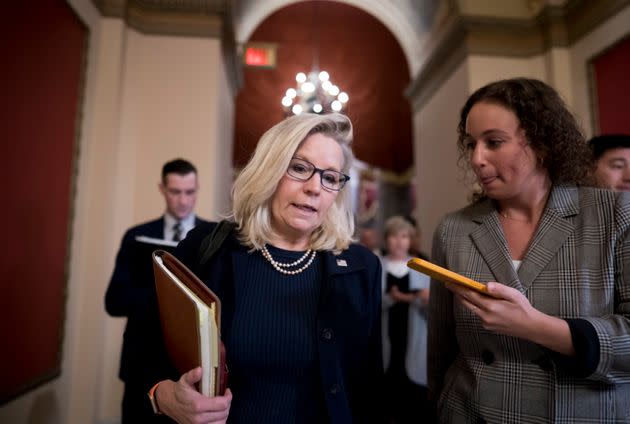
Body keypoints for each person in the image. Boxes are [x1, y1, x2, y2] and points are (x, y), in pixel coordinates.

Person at [148, 113, 384, 423]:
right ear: (269, 170)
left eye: (330, 177)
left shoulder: (361, 268)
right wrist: (164, 397)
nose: (315, 187)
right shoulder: (208, 247)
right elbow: (146, 352)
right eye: (300, 168)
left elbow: (369, 390)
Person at [428, 78, 630, 422]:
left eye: (493, 142)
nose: (477, 159)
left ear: (542, 143)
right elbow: (441, 348)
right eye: (471, 144)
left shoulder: (615, 214)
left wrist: (538, 327)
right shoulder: (454, 229)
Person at [105, 158, 210, 424]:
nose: (183, 200)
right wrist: (165, 296)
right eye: (175, 192)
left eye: (190, 192)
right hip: (140, 361)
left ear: (197, 189)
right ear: (162, 189)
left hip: (188, 365)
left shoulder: (210, 239)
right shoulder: (136, 236)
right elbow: (114, 301)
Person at [381, 216, 430, 424]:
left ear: (410, 240)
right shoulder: (377, 265)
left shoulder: (421, 266)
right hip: (385, 333)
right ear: (386, 239)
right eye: (394, 236)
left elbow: (430, 304)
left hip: (413, 335)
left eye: (404, 236)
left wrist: (412, 299)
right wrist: (390, 299)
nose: (399, 241)